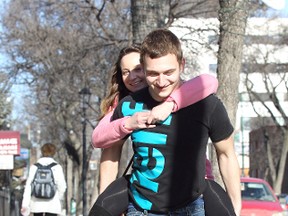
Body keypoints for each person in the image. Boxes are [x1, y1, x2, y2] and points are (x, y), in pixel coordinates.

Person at [109, 29, 241, 215]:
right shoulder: (128, 106)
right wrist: (109, 202)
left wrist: (236, 205)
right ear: (144, 69)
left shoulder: (207, 105)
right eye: (153, 73)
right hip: (141, 209)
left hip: (191, 207)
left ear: (182, 65)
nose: (161, 81)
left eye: (168, 72)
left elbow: (226, 154)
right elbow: (110, 155)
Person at [91, 44, 218, 194]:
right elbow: (98, 138)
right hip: (151, 191)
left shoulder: (182, 91)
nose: (132, 77)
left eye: (138, 69)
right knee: (111, 144)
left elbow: (210, 81)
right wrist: (128, 123)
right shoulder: (125, 104)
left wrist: (170, 104)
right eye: (126, 72)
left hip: (194, 186)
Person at [21, 143, 67, 216]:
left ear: (42, 152)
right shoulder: (57, 167)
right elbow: (62, 186)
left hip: (36, 204)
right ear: (54, 153)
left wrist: (25, 204)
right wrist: (57, 197)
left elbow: (28, 187)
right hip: (52, 204)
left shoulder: (34, 167)